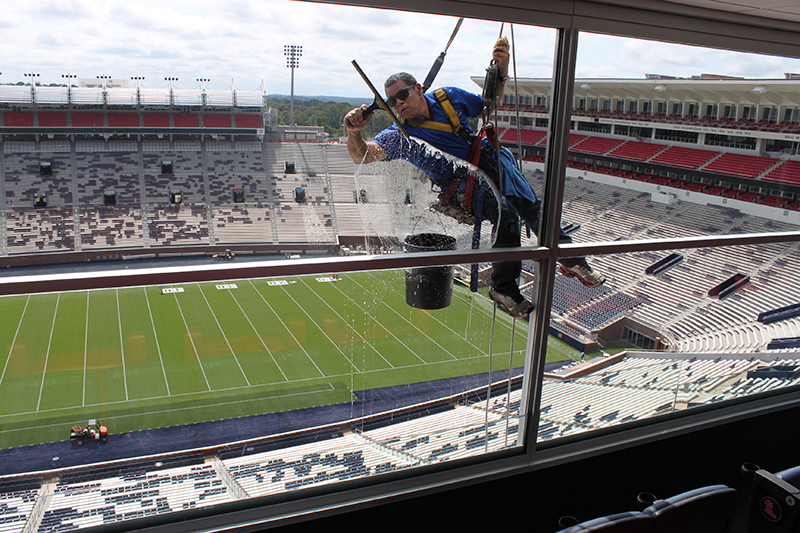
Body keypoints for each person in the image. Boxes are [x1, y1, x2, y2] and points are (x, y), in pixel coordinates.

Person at [344, 40, 604, 318]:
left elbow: (488, 105)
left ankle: (571, 257)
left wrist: (500, 72)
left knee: (533, 206)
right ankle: (503, 287)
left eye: (403, 95)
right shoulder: (400, 136)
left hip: (491, 162)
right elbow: (363, 156)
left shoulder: (449, 97)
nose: (399, 103)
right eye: (392, 102)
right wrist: (353, 133)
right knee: (508, 213)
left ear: (418, 88)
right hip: (462, 186)